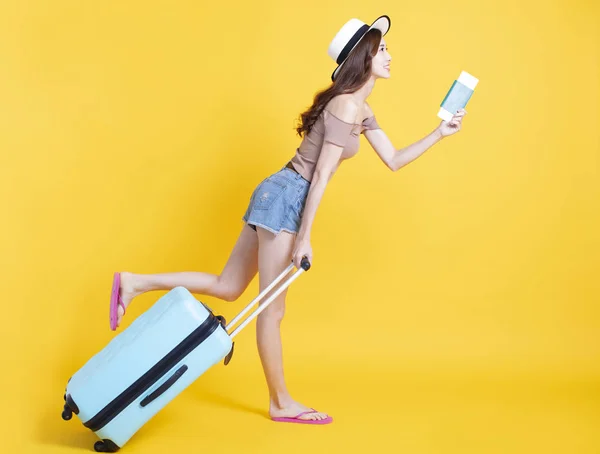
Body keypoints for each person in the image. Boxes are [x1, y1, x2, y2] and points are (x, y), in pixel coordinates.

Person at [108, 15, 467, 425]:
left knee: (228, 287)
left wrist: (440, 133)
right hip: (288, 197)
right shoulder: (347, 106)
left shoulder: (359, 108)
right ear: (362, 58)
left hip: (277, 189)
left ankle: (136, 282)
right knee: (271, 311)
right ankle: (280, 403)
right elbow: (320, 178)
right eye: (381, 48)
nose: (389, 55)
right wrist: (305, 238)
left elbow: (395, 160)